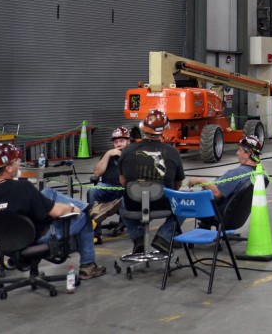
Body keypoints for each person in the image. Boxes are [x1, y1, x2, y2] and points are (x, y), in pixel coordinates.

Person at [0, 142, 106, 279]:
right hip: (34, 237)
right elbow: (56, 212)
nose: (19, 162)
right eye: (17, 161)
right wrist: (72, 208)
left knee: (48, 192)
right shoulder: (22, 188)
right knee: (84, 216)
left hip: (5, 240)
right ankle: (88, 266)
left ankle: (91, 207)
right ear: (8, 168)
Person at [119, 109, 184, 254]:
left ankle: (138, 239)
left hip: (133, 204)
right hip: (163, 202)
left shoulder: (127, 150)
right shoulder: (172, 152)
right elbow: (177, 185)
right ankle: (164, 236)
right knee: (184, 204)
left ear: (143, 128)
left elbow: (123, 181)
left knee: (121, 202)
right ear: (165, 129)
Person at [182, 135, 261, 229]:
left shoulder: (237, 173)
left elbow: (216, 193)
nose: (237, 153)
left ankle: (167, 234)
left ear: (248, 154)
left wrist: (199, 180)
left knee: (178, 199)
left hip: (216, 211)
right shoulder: (259, 174)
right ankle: (204, 227)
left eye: (239, 150)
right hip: (235, 215)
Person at [87, 126, 130, 220]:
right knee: (93, 191)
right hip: (108, 187)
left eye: (121, 141)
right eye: (116, 142)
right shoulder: (109, 154)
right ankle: (95, 230)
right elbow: (97, 173)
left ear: (128, 141)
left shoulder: (133, 154)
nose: (119, 144)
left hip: (126, 190)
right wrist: (108, 154)